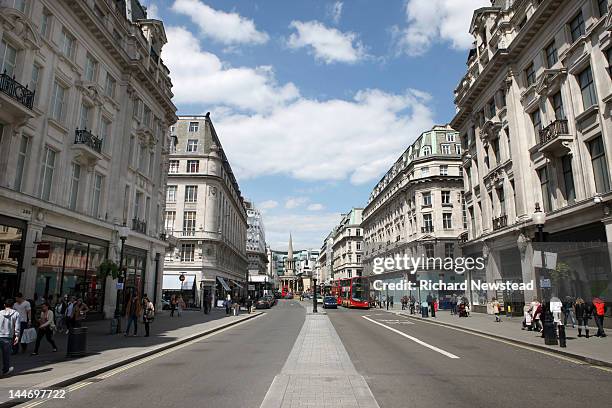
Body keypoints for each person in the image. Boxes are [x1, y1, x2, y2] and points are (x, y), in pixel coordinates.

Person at [0, 299, 20, 376]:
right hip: (8, 337)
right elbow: (17, 326)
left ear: (4, 305)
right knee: (6, 355)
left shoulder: (0, 313)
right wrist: (17, 336)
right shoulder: (16, 314)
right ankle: (5, 370)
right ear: (12, 306)